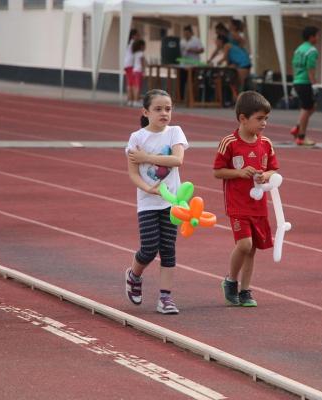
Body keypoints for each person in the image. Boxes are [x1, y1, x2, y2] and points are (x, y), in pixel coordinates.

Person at [124, 89, 189, 314]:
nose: (164, 113)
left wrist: (147, 158)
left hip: (172, 202)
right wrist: (147, 188)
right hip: (148, 202)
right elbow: (133, 173)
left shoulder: (175, 132)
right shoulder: (137, 137)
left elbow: (177, 160)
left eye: (168, 109)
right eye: (158, 109)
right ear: (146, 112)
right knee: (150, 248)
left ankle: (165, 298)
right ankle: (134, 275)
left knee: (168, 249)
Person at [213, 91, 279, 307]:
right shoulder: (229, 142)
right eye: (260, 119)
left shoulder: (266, 144)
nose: (264, 123)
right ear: (243, 118)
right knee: (244, 244)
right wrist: (240, 173)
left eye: (266, 118)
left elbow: (273, 170)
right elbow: (218, 171)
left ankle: (245, 290)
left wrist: (264, 175)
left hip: (258, 205)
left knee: (252, 250)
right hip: (237, 204)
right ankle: (230, 280)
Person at [290, 26, 320, 146]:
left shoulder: (298, 50)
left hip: (297, 81)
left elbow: (294, 66)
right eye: (317, 35)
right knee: (306, 108)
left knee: (311, 107)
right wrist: (314, 84)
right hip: (305, 82)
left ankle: (297, 127)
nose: (318, 38)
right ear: (311, 37)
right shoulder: (312, 51)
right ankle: (301, 136)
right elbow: (310, 68)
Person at [215, 34, 251, 100]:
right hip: (242, 64)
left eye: (217, 41)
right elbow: (228, 61)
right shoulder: (229, 47)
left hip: (243, 64)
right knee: (235, 82)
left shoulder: (227, 45)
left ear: (221, 41)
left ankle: (239, 99)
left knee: (239, 84)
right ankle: (235, 98)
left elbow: (225, 58)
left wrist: (217, 63)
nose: (216, 43)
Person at [179, 25, 204, 100]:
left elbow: (202, 50)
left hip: (193, 64)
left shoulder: (196, 40)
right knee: (181, 81)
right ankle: (181, 98)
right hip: (183, 64)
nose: (186, 35)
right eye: (184, 33)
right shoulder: (182, 41)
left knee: (192, 82)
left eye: (187, 33)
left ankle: (193, 99)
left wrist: (192, 50)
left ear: (191, 33)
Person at [129, 39, 147, 107]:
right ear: (142, 46)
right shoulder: (141, 54)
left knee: (134, 86)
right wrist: (144, 72)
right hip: (139, 71)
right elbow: (143, 63)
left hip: (134, 71)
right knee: (138, 87)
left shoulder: (135, 53)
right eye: (145, 46)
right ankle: (136, 101)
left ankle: (134, 100)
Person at [124, 29, 140, 106]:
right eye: (137, 35)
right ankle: (134, 101)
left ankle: (130, 100)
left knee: (129, 83)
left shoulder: (128, 43)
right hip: (131, 65)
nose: (138, 36)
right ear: (133, 36)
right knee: (133, 84)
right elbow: (136, 55)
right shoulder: (134, 43)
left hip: (126, 64)